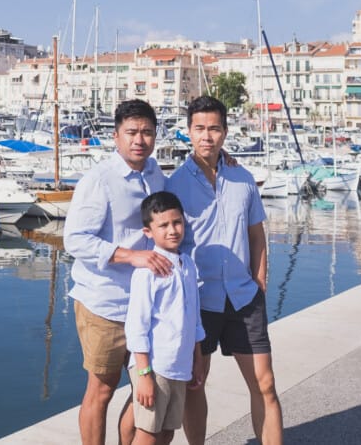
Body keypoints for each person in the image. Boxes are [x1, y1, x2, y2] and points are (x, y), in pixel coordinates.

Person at [166, 94, 283, 445]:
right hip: (199, 300)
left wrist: (260, 281)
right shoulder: (175, 184)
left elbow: (256, 235)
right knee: (195, 384)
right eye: (199, 128)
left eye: (214, 128)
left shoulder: (243, 179)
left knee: (265, 385)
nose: (207, 136)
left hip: (244, 298)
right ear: (188, 132)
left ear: (225, 132)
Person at [64, 99, 171, 445]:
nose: (139, 139)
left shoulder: (157, 174)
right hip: (105, 304)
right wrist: (130, 256)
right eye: (131, 132)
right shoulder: (100, 180)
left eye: (147, 132)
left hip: (146, 306)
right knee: (102, 389)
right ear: (116, 136)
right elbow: (75, 240)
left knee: (150, 385)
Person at [124, 190, 205, 445]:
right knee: (148, 433)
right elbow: (137, 326)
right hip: (155, 366)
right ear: (148, 232)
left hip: (179, 365)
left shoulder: (188, 265)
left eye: (177, 222)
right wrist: (144, 374)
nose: (172, 230)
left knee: (168, 431)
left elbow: (194, 319)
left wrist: (197, 359)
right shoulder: (147, 272)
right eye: (163, 225)